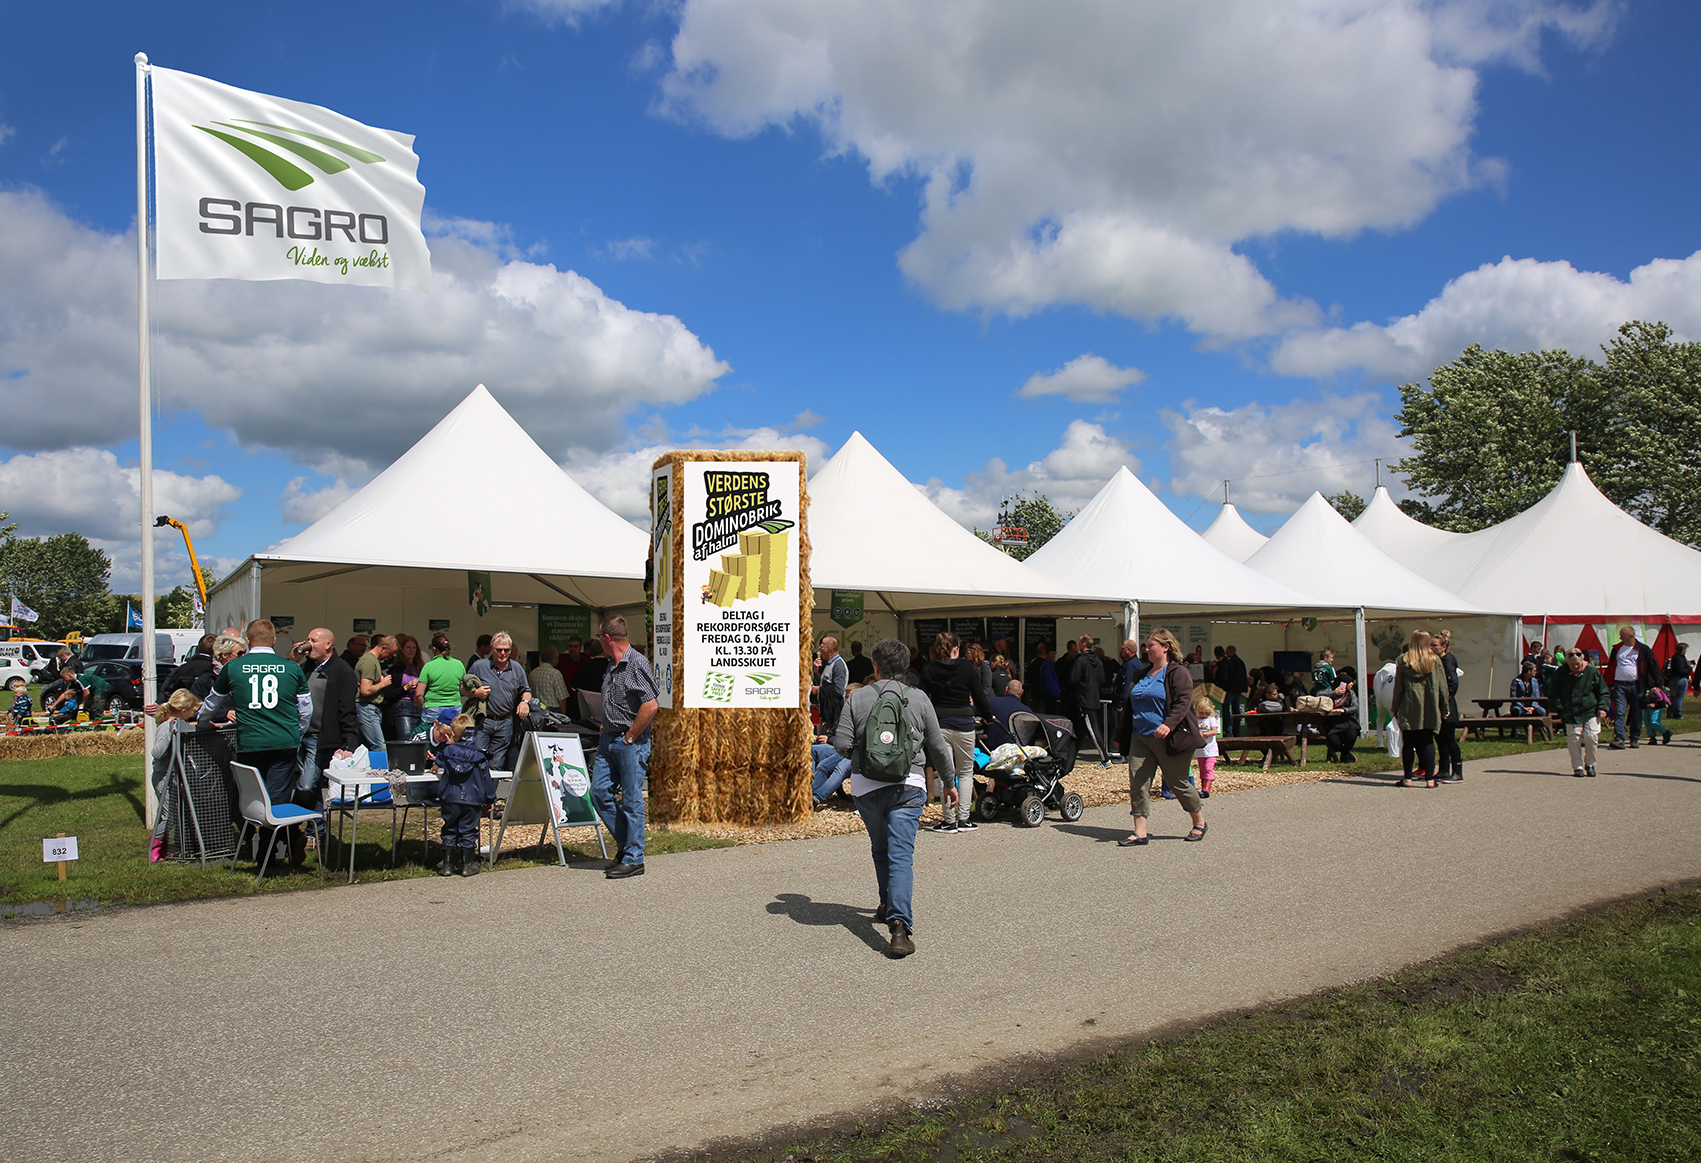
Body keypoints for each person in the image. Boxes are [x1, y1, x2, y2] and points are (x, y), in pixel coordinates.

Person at [830, 637, 953, 958]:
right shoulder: (920, 698)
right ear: (906, 669)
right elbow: (938, 747)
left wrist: (864, 752)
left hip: (866, 786)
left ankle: (886, 903)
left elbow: (840, 743)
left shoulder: (857, 699)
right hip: (909, 783)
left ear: (875, 667)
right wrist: (950, 783)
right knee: (901, 855)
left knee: (880, 847)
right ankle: (899, 926)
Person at [201, 620, 312, 860]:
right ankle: (275, 846)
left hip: (250, 741)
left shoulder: (233, 667)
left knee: (253, 796)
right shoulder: (291, 668)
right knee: (278, 798)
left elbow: (212, 701)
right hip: (283, 741)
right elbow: (305, 709)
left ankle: (266, 849)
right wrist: (298, 732)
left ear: (248, 641)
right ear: (274, 640)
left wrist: (201, 722)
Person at [1117, 629, 1206, 846]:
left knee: (1178, 783)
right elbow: (1130, 707)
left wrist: (1168, 724)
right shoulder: (1141, 674)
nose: (1147, 650)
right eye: (1146, 646)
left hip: (1169, 739)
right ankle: (1140, 832)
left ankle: (1199, 822)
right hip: (1141, 738)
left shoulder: (1177, 672)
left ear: (1166, 647)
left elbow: (1183, 703)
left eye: (1151, 646)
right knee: (1138, 783)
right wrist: (1120, 735)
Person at [590, 616, 660, 880]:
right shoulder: (612, 664)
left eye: (599, 637)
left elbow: (650, 705)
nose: (598, 641)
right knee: (598, 793)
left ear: (608, 638)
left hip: (630, 742)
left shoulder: (637, 663)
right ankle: (626, 844)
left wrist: (631, 736)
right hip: (610, 739)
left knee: (631, 800)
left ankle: (634, 858)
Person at [919, 631, 993, 833]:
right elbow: (979, 695)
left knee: (946, 772)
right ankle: (965, 819)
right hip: (964, 723)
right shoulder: (967, 667)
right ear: (956, 648)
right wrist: (987, 715)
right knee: (966, 771)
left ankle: (949, 821)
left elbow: (923, 697)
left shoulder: (930, 668)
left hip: (940, 724)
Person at [291, 628, 359, 829]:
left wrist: (349, 742)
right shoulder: (306, 668)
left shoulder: (342, 671)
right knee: (311, 787)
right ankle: (317, 830)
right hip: (301, 734)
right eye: (308, 639)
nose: (308, 644)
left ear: (328, 645)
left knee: (305, 785)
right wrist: (294, 660)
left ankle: (289, 827)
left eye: (313, 640)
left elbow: (348, 709)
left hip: (320, 738)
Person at [433, 712, 496, 877]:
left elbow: (438, 761)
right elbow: (486, 780)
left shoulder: (447, 751)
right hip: (472, 798)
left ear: (453, 734)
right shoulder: (479, 756)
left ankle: (447, 864)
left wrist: (449, 746)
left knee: (449, 828)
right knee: (468, 830)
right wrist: (490, 799)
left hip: (450, 797)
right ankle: (467, 864)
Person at [148, 689, 202, 862]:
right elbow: (157, 752)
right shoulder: (166, 727)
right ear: (183, 710)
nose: (193, 715)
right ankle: (154, 849)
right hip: (163, 775)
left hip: (172, 775)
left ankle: (162, 849)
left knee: (171, 813)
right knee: (167, 815)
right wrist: (171, 733)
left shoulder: (178, 723)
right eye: (192, 711)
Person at [467, 632, 532, 770]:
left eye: (506, 650)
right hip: (483, 721)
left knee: (496, 764)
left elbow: (526, 691)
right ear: (492, 649)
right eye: (499, 650)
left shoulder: (516, 668)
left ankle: (491, 792)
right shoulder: (479, 666)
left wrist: (524, 702)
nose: (503, 653)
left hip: (505, 723)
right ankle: (479, 791)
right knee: (477, 761)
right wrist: (475, 693)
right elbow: (462, 688)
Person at [1391, 630, 1444, 788]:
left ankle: (1407, 778)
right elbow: (1443, 687)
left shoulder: (1403, 660)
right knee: (1427, 741)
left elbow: (1398, 687)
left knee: (1409, 742)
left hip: (1409, 704)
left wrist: (1394, 707)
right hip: (1430, 704)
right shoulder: (1434, 660)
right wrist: (1445, 707)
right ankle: (1430, 779)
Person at [1549, 647, 1609, 777]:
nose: (1576, 667)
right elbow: (1554, 694)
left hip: (1590, 709)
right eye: (1572, 665)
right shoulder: (1560, 673)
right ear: (1567, 663)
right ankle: (1577, 766)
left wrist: (1603, 707)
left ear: (1583, 660)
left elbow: (1603, 691)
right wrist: (1560, 709)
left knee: (1591, 736)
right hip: (1570, 710)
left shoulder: (1592, 671)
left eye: (1578, 664)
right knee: (1574, 738)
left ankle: (1591, 764)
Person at [1606, 626, 1657, 749]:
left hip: (1637, 685)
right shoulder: (1617, 649)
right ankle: (1619, 738)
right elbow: (1611, 666)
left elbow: (1653, 666)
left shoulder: (1642, 649)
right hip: (1619, 684)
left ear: (1630, 636)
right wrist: (1608, 684)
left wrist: (1657, 684)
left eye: (1622, 635)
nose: (1620, 638)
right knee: (1619, 711)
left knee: (1636, 712)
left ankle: (1634, 738)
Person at [1069, 634, 1109, 762]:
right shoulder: (1098, 661)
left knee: (1093, 728)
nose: (1079, 645)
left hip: (1084, 699)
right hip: (1094, 697)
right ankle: (1070, 755)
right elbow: (1103, 679)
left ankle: (1105, 758)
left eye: (1080, 642)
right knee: (1081, 730)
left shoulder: (1081, 660)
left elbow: (1073, 679)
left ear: (1084, 644)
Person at [354, 634, 396, 749]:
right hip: (366, 708)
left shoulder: (373, 661)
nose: (389, 658)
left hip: (369, 709)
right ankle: (380, 767)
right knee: (379, 747)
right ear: (382, 648)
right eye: (389, 653)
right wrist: (383, 684)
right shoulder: (369, 662)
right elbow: (365, 690)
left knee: (365, 747)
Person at [1432, 630, 1463, 784]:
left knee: (1449, 739)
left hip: (1447, 706)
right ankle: (1443, 769)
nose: (1431, 648)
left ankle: (1457, 771)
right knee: (1440, 739)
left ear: (1443, 647)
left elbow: (1453, 683)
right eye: (1430, 645)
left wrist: (1445, 700)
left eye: (1435, 645)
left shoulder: (1447, 661)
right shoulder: (1437, 661)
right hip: (1438, 705)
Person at [417, 633, 466, 724]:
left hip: (432, 708)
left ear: (434, 649)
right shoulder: (459, 664)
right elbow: (462, 688)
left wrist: (422, 707)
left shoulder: (429, 666)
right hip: (454, 708)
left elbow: (418, 694)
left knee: (431, 736)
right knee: (452, 736)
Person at [388, 635, 425, 740]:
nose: (411, 650)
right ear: (402, 650)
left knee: (419, 740)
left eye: (414, 647)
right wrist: (405, 688)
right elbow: (389, 693)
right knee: (406, 739)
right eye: (408, 647)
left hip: (420, 706)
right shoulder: (396, 669)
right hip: (404, 707)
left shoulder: (421, 667)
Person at [813, 635, 848, 736]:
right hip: (824, 713)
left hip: (833, 717)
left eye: (822, 646)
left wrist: (819, 690)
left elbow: (838, 690)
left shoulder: (838, 666)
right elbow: (822, 683)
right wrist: (816, 671)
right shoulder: (827, 664)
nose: (819, 648)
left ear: (829, 649)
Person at [1324, 670, 1361, 764]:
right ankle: (1347, 755)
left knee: (1351, 735)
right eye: (1349, 683)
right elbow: (1318, 696)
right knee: (1333, 740)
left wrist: (1344, 710)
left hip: (1348, 722)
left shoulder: (1350, 694)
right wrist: (1335, 694)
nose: (1352, 684)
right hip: (1333, 724)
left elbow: (1355, 707)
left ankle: (1345, 755)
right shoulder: (1330, 691)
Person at [983, 678, 1030, 749]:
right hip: (1018, 750)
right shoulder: (1027, 711)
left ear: (1006, 689)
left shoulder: (991, 702)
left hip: (992, 749)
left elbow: (972, 711)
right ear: (1022, 692)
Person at [811, 731, 852, 809]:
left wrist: (829, 739)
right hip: (845, 748)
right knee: (823, 766)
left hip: (861, 753)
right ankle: (810, 794)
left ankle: (816, 798)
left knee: (841, 768)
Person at [1218, 645, 1249, 738]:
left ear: (1231, 651)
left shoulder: (1230, 662)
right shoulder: (1240, 662)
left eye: (1227, 651)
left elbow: (1228, 677)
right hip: (1239, 690)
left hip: (1231, 689)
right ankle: (1236, 731)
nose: (1225, 653)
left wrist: (1225, 687)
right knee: (1236, 711)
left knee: (1226, 709)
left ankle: (1228, 732)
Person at [529, 646, 571, 714]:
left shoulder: (532, 673)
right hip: (553, 711)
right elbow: (562, 698)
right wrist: (564, 715)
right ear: (554, 659)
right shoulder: (555, 674)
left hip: (537, 710)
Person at [1193, 692, 1220, 797]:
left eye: (1206, 712)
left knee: (1209, 768)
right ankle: (1203, 786)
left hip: (1210, 749)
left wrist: (1205, 734)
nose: (1203, 715)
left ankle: (1206, 788)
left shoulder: (1211, 719)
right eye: (1201, 712)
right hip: (1200, 749)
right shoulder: (1196, 720)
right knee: (1202, 769)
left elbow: (1214, 731)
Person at [1665, 642, 1692, 719]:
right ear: (1682, 650)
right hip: (1680, 679)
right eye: (1685, 649)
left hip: (1674, 679)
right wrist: (1690, 668)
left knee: (1674, 697)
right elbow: (1681, 671)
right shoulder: (1679, 659)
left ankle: (1671, 713)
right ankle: (1677, 713)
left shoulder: (1675, 657)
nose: (1686, 651)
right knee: (1679, 697)